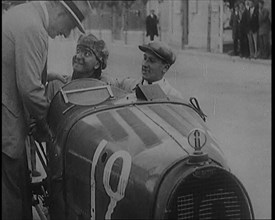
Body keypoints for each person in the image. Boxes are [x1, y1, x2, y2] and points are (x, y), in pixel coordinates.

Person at [2, 1, 91, 219]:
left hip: (8, 120)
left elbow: (15, 64)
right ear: (61, 12)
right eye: (69, 26)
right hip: (7, 128)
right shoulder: (33, 27)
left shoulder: (22, 14)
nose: (64, 33)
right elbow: (30, 90)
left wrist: (46, 76)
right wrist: (49, 127)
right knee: (12, 201)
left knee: (17, 191)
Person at [45, 33, 110, 220]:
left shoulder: (105, 85)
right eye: (78, 50)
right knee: (59, 190)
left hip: (89, 153)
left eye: (87, 53)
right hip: (61, 154)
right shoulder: (57, 84)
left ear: (98, 63)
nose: (79, 56)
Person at [114, 41, 183, 100]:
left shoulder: (174, 97)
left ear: (165, 68)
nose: (144, 64)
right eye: (145, 58)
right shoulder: (128, 85)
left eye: (151, 61)